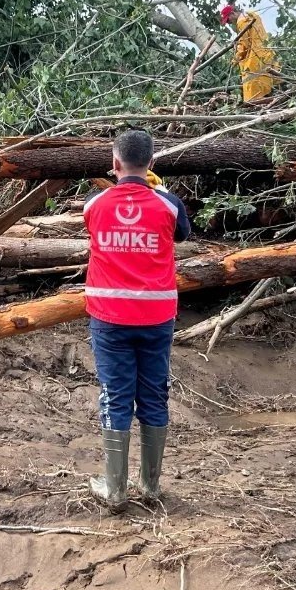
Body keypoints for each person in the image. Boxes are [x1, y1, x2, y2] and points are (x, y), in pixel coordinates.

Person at [83, 129, 191, 511]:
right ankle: (150, 486)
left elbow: (97, 229)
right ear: (152, 163)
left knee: (116, 395)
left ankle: (115, 490)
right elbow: (182, 234)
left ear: (114, 163)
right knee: (153, 394)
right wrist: (158, 191)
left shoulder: (94, 204)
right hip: (156, 318)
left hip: (109, 319)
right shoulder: (169, 205)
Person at [220, 2, 279, 103]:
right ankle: (271, 101)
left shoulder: (241, 22)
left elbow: (244, 45)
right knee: (267, 81)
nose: (229, 23)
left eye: (228, 20)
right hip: (267, 51)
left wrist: (235, 59)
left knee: (251, 84)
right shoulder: (252, 15)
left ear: (233, 13)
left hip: (256, 56)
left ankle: (259, 106)